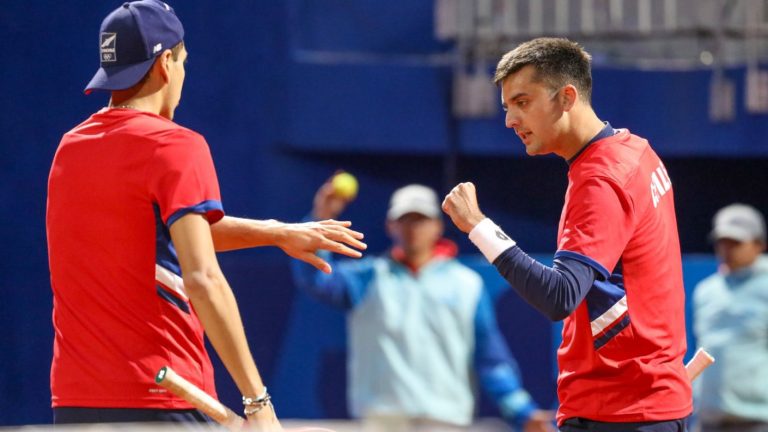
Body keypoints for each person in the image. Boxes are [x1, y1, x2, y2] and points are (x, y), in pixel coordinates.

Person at [46, 1, 365, 429]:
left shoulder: (71, 148)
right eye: (184, 62)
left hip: (75, 402)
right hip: (164, 397)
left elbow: (162, 232)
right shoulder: (174, 145)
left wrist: (277, 232)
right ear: (165, 63)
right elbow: (203, 277)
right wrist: (258, 402)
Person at [441, 37, 692, 431]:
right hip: (646, 403)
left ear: (567, 97)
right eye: (507, 107)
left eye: (523, 103)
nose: (509, 120)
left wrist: (478, 226)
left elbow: (559, 296)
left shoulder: (601, 180)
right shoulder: (637, 151)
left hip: (619, 411)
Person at [292, 180, 555, 432]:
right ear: (390, 226)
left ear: (437, 226)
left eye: (420, 219)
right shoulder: (366, 279)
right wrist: (319, 217)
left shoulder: (467, 285)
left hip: (447, 421)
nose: (412, 227)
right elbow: (314, 278)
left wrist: (523, 411)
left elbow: (490, 359)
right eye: (404, 220)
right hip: (382, 422)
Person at [692, 204, 768, 432]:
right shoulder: (706, 290)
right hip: (707, 420)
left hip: (757, 420)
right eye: (722, 242)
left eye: (736, 242)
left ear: (759, 244)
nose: (727, 249)